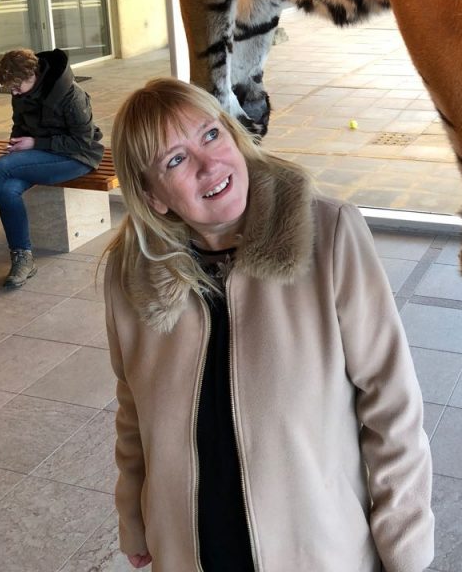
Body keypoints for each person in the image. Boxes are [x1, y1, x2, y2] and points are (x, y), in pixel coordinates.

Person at [104, 77, 434, 572]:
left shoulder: (330, 236)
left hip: (314, 547)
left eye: (211, 135)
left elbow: (392, 406)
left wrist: (405, 550)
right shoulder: (130, 273)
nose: (208, 164)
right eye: (175, 160)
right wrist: (135, 517)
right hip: (191, 550)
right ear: (153, 197)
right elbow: (133, 410)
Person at [0, 48, 104, 288]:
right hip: (41, 154)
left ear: (32, 75)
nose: (12, 92)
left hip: (76, 157)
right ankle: (23, 258)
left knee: (3, 166)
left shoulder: (72, 96)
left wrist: (35, 143)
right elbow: (19, 125)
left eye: (15, 87)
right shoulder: (20, 92)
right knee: (6, 189)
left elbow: (81, 141)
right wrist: (16, 144)